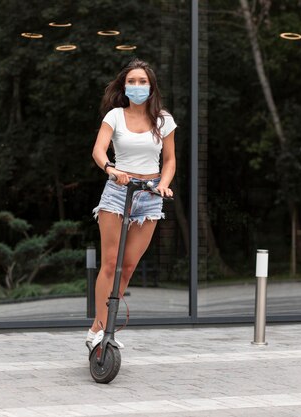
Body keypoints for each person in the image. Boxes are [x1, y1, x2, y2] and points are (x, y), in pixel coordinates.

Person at [89, 59, 177, 347]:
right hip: (117, 192)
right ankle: (101, 330)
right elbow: (99, 150)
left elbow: (170, 160)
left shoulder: (163, 120)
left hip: (150, 195)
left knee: (127, 267)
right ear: (124, 86)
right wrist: (111, 169)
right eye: (132, 81)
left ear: (151, 87)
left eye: (142, 82)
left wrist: (163, 185)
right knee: (110, 263)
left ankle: (101, 329)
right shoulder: (114, 116)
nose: (137, 86)